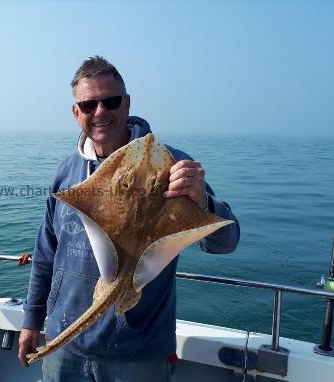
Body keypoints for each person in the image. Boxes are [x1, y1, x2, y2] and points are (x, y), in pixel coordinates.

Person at [18, 56, 240, 381]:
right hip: (64, 345)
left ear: (127, 103)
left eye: (111, 101)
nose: (100, 112)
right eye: (89, 104)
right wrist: (32, 320)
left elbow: (225, 243)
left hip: (138, 353)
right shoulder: (68, 172)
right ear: (76, 112)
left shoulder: (174, 166)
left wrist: (202, 200)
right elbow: (46, 254)